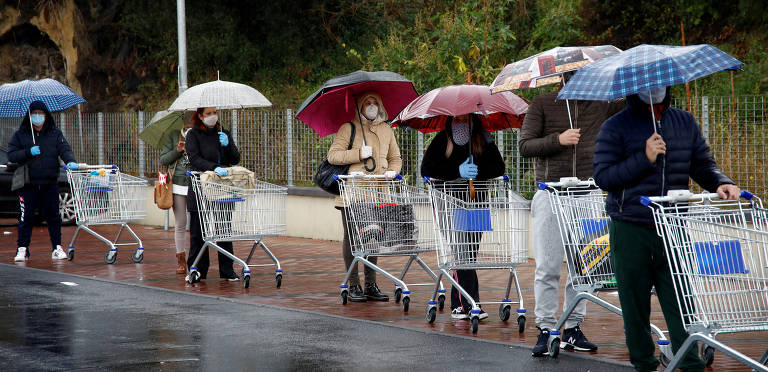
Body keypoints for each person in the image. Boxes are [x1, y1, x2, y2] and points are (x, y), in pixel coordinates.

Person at [593, 86, 738, 372]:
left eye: (659, 83)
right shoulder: (615, 126)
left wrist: (721, 181)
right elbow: (604, 177)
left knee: (681, 303)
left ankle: (689, 363)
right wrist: (644, 157)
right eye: (646, 84)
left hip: (673, 226)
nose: (654, 89)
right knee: (635, 307)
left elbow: (701, 164)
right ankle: (644, 363)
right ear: (634, 87)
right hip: (630, 226)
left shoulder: (684, 122)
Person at [519, 79, 624, 356]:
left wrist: (641, 78)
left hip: (588, 193)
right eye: (571, 74)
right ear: (561, 77)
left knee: (585, 267)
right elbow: (525, 145)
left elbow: (634, 106)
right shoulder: (542, 103)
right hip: (550, 193)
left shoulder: (601, 104)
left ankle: (572, 328)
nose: (577, 79)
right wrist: (559, 140)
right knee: (548, 266)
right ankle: (545, 328)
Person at [420, 114, 505, 320]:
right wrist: (456, 171)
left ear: (473, 120)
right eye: (456, 120)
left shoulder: (483, 139)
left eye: (465, 119)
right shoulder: (443, 140)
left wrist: (478, 171)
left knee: (470, 254)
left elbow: (498, 168)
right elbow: (427, 169)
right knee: (461, 253)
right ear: (450, 121)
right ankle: (469, 303)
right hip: (450, 203)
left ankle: (463, 302)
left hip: (478, 202)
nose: (461, 124)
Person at [327, 92, 402, 302]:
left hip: (378, 193)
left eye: (375, 102)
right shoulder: (348, 128)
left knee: (373, 237)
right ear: (359, 106)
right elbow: (333, 155)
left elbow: (395, 158)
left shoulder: (387, 129)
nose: (372, 106)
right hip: (353, 193)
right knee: (352, 238)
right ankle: (353, 285)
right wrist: (358, 154)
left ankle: (370, 284)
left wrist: (393, 172)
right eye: (367, 103)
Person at [8, 100, 78, 262]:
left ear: (46, 115)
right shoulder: (21, 134)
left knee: (54, 216)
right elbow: (12, 154)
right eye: (34, 114)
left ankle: (57, 247)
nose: (38, 117)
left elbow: (65, 149)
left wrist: (70, 161)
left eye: (41, 114)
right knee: (26, 218)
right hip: (28, 184)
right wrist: (27, 152)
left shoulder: (55, 134)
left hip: (49, 183)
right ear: (29, 116)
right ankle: (22, 249)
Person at [185, 106, 241, 281]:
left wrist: (228, 144)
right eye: (208, 114)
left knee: (223, 228)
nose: (212, 117)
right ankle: (197, 269)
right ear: (200, 116)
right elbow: (194, 158)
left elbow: (235, 158)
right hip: (200, 186)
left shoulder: (223, 131)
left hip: (221, 186)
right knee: (198, 231)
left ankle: (227, 270)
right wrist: (213, 168)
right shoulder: (193, 135)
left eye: (214, 113)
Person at [160, 114, 194, 275]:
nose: (189, 123)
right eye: (187, 121)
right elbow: (164, 159)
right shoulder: (174, 135)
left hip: (197, 184)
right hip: (179, 184)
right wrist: (178, 150)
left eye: (192, 120)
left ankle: (196, 258)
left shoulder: (200, 135)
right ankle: (181, 260)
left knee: (197, 224)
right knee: (181, 223)